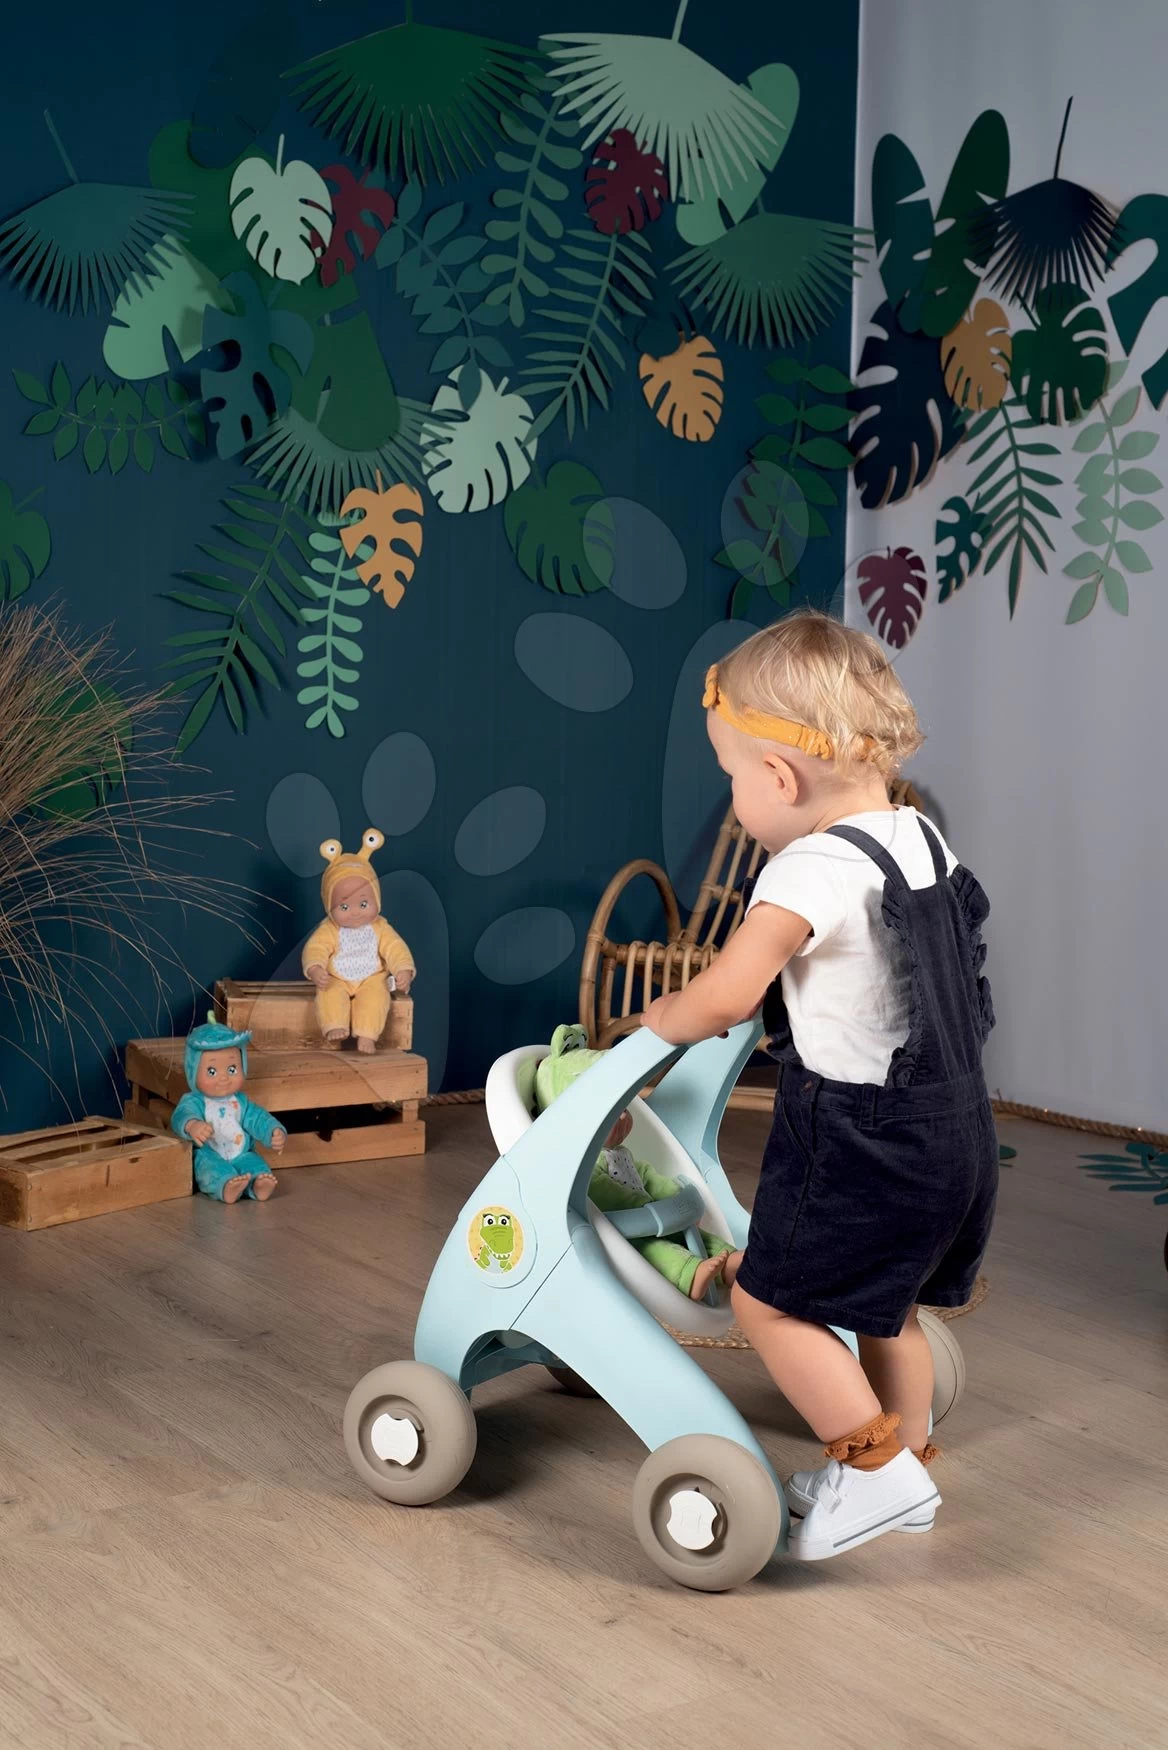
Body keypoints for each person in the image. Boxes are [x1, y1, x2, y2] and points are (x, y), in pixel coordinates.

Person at [642, 611, 997, 1561]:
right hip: (958, 1127)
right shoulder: (921, 839)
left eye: (730, 776)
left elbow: (729, 994)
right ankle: (903, 1465)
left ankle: (873, 1472)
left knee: (767, 1303)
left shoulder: (806, 869)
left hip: (861, 1136)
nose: (733, 799)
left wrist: (662, 1017)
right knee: (890, 1305)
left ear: (780, 777)